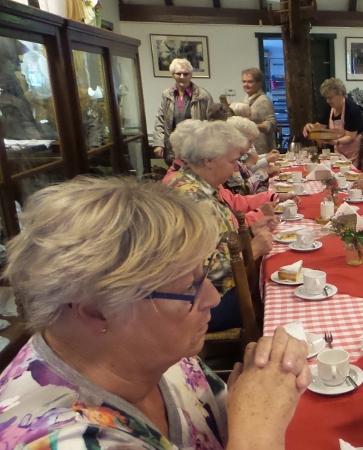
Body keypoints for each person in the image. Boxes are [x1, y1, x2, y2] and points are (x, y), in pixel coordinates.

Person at [0, 176, 310, 448]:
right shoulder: (56, 439)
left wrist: (257, 395)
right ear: (96, 310)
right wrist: (257, 435)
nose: (213, 298)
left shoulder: (152, 351)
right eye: (190, 287)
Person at [168, 120, 275, 332]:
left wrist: (250, 232)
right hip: (202, 303)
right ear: (209, 160)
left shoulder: (200, 186)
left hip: (211, 291)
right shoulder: (193, 199)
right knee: (275, 299)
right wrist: (252, 249)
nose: (237, 168)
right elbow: (208, 272)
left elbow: (217, 243)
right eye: (233, 161)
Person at [302, 78, 363, 171]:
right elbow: (320, 126)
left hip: (358, 148)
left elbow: (350, 136)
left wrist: (335, 142)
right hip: (342, 149)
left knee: (355, 175)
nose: (328, 101)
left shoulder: (351, 109)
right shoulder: (330, 108)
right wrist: (310, 127)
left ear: (340, 94)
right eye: (326, 98)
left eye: (330, 97)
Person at [153, 58, 213, 165]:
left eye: (185, 74)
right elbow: (160, 120)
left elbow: (211, 122)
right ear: (173, 75)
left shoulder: (203, 96)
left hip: (197, 149)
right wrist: (158, 143)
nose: (182, 77)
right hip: (174, 149)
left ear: (191, 75)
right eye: (178, 73)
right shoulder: (166, 95)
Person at [240, 67, 278, 155]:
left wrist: (251, 126)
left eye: (250, 82)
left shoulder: (263, 100)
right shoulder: (246, 99)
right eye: (244, 81)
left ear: (259, 83)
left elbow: (271, 124)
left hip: (262, 151)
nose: (246, 84)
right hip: (250, 149)